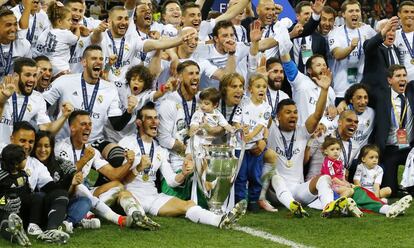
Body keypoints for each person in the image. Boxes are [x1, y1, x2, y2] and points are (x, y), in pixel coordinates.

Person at [119, 103, 247, 229]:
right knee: (123, 195)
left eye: (156, 118)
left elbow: (171, 181)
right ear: (139, 123)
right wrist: (137, 168)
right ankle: (136, 216)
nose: (155, 122)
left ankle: (219, 220)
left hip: (153, 197)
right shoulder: (127, 143)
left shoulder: (160, 150)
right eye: (149, 118)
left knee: (188, 204)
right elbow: (119, 179)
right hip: (132, 194)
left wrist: (183, 173)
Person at [55, 110, 160, 230]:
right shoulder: (60, 148)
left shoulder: (91, 151)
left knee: (118, 185)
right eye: (83, 124)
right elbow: (66, 177)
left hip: (83, 194)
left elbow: (113, 175)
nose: (88, 128)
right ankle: (114, 218)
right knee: (79, 186)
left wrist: (129, 163)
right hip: (65, 191)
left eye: (90, 124)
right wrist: (84, 160)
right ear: (72, 128)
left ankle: (138, 216)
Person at [43, 45, 126, 143]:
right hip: (65, 141)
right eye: (94, 58)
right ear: (84, 62)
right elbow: (42, 105)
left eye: (101, 59)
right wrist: (48, 127)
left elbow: (117, 125)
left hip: (94, 143)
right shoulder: (64, 81)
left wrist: (129, 111)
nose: (99, 62)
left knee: (117, 155)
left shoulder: (110, 88)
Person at [6, 121, 70, 243]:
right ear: (12, 139)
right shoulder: (1, 156)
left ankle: (52, 230)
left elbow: (51, 188)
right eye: (22, 141)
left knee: (59, 194)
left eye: (30, 142)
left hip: (27, 209)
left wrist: (68, 178)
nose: (26, 146)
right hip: (4, 207)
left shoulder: (36, 165)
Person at [32, 130, 101, 231]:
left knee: (85, 201)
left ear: (52, 148)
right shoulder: (30, 164)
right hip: (41, 207)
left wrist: (72, 185)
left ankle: (67, 223)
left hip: (60, 205)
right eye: (39, 146)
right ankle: (74, 223)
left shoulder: (59, 163)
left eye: (47, 146)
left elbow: (67, 194)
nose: (43, 150)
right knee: (40, 196)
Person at [0, 57, 74, 145]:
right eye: (28, 75)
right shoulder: (2, 91)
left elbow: (46, 129)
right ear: (16, 76)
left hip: (19, 153)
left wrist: (64, 116)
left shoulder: (37, 98)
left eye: (34, 75)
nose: (32, 79)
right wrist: (3, 98)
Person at [372, 65, 414, 195]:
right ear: (389, 80)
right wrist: (344, 101)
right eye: (398, 76)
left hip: (410, 149)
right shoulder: (381, 96)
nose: (402, 79)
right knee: (391, 191)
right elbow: (361, 91)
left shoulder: (412, 92)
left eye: (404, 75)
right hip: (390, 149)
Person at [232, 73, 272, 211]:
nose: (262, 89)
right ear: (250, 89)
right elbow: (236, 121)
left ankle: (254, 201)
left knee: (255, 175)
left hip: (255, 147)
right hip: (240, 147)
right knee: (241, 176)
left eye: (264, 87)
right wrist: (241, 131)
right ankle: (240, 202)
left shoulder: (267, 107)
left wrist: (251, 136)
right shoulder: (244, 102)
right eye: (258, 86)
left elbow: (262, 125)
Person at [328, 0, 376, 104]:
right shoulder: (335, 33)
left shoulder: (367, 30)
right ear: (343, 14)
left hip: (363, 90)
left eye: (357, 11)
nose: (355, 13)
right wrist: (351, 48)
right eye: (351, 11)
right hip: (341, 90)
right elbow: (337, 55)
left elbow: (380, 42)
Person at [34, 1, 80, 77]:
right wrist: (78, 28)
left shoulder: (47, 32)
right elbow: (76, 38)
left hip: (49, 68)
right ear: (59, 22)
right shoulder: (65, 33)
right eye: (68, 20)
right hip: (62, 69)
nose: (71, 22)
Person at [0, 144, 31, 247]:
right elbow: (0, 195)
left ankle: (27, 228)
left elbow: (28, 192)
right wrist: (4, 203)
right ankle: (13, 235)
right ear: (16, 164)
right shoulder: (3, 177)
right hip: (6, 211)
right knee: (5, 221)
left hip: (22, 209)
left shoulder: (23, 175)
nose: (26, 159)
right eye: (24, 158)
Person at [0, 8, 31, 81]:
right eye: (8, 25)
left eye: (15, 24)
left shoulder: (23, 44)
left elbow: (29, 72)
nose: (13, 29)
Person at [395, 1, 414, 81]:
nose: (410, 15)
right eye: (406, 12)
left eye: (412, 12)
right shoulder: (394, 36)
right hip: (402, 83)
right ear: (399, 14)